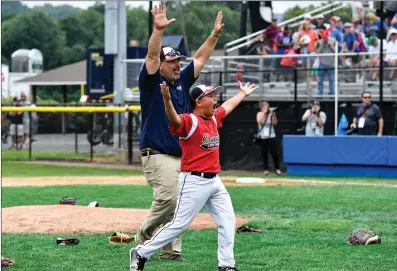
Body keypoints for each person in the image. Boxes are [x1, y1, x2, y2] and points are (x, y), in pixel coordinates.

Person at [130, 81, 258, 271]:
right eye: (210, 96)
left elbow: (227, 106)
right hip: (193, 181)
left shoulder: (213, 119)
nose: (215, 100)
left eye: (214, 96)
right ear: (199, 101)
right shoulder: (191, 121)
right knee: (179, 224)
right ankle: (141, 252)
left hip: (215, 181)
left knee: (228, 221)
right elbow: (174, 120)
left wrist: (243, 94)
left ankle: (226, 265)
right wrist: (167, 100)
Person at [135, 4, 225, 261]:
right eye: (172, 62)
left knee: (180, 204)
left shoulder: (182, 82)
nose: (177, 65)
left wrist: (214, 35)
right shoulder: (152, 82)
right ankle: (143, 238)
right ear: (162, 65)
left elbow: (199, 58)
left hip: (181, 156)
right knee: (169, 198)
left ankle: (170, 252)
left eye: (178, 62)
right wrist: (158, 30)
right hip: (157, 153)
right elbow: (152, 57)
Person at [256, 101, 281, 175]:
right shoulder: (259, 114)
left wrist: (273, 115)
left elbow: (275, 123)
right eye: (265, 106)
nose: (267, 108)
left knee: (275, 153)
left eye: (268, 106)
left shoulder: (271, 114)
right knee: (264, 153)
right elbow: (259, 121)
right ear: (262, 107)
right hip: (263, 136)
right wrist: (264, 113)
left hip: (271, 135)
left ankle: (277, 168)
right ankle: (266, 169)